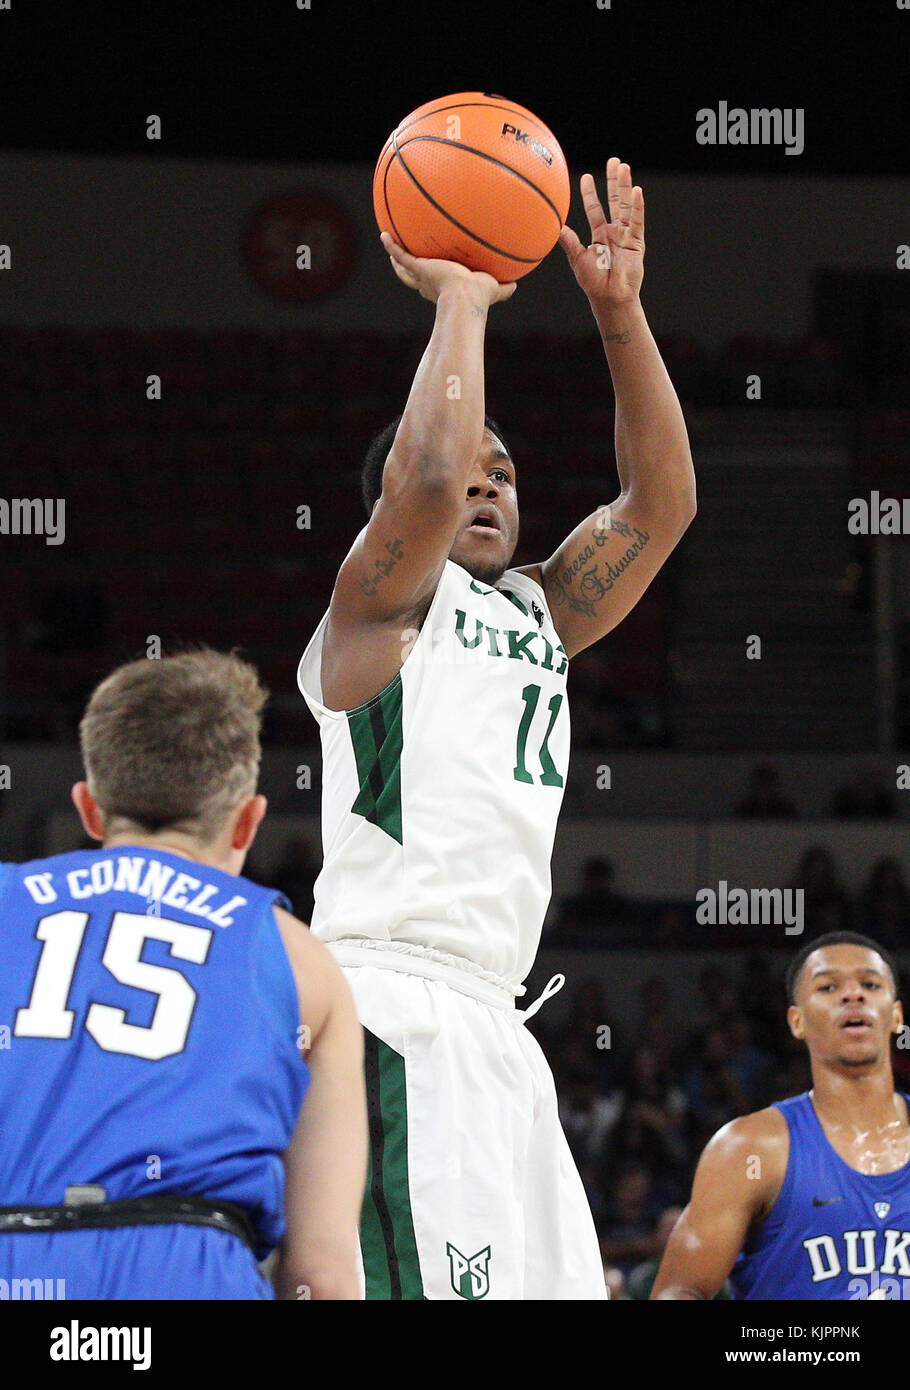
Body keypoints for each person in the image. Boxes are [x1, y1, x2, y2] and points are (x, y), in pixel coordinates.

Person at [298, 157, 696, 1299]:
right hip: (389, 1003)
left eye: (506, 474)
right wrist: (464, 300)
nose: (485, 486)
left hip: (496, 1020)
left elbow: (659, 505)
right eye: (471, 472)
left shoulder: (538, 610)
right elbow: (422, 474)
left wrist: (618, 315)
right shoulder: (374, 608)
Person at [0, 649, 367, 1300]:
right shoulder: (301, 960)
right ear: (249, 821)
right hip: (188, 1270)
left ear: (88, 809)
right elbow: (322, 1274)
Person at [651, 932, 910, 1300]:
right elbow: (680, 1290)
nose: (854, 994)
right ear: (797, 1021)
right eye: (828, 987)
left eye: (870, 983)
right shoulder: (750, 1148)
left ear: (896, 1014)